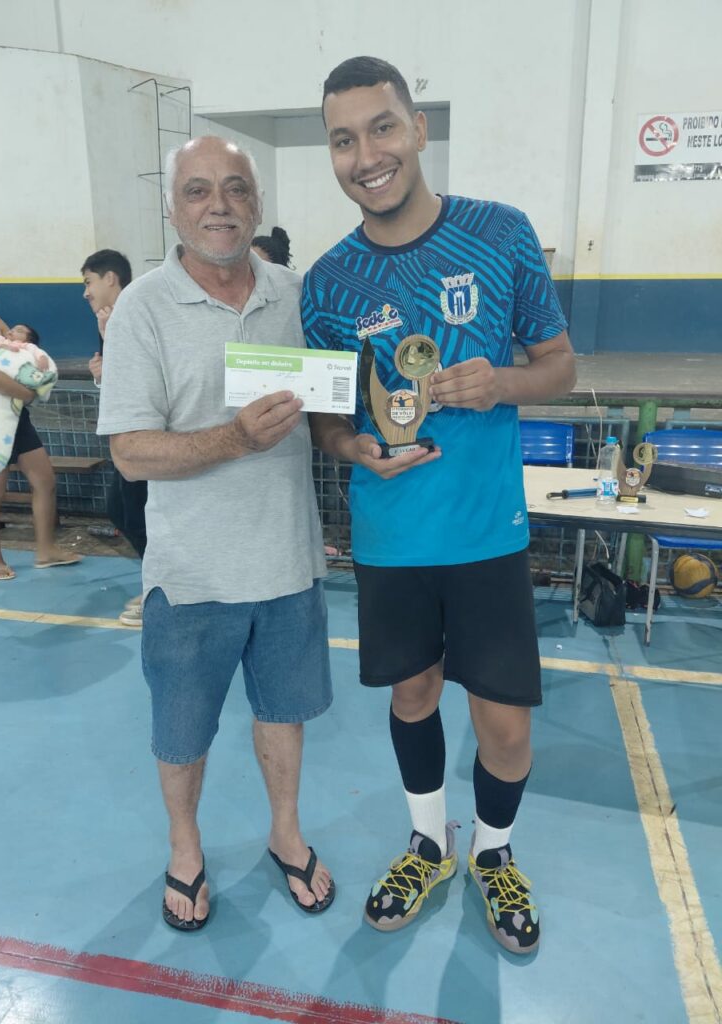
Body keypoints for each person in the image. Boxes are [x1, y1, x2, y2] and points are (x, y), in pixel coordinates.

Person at [303, 57, 577, 954]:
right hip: (390, 540)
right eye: (343, 139)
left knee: (503, 724)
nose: (365, 154)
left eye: (382, 127)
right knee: (413, 694)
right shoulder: (327, 285)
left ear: (418, 130)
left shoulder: (500, 235)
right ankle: (429, 842)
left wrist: (500, 381)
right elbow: (327, 426)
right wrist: (355, 450)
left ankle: (494, 853)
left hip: (486, 534)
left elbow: (561, 367)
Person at [96, 135, 335, 930]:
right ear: (173, 207)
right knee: (181, 732)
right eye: (199, 191)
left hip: (290, 563)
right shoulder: (143, 308)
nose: (219, 205)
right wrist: (232, 439)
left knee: (284, 715)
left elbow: (328, 410)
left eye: (235, 188)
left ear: (258, 205)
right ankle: (186, 849)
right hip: (194, 575)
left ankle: (286, 832)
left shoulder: (295, 293)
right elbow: (129, 452)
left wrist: (365, 435)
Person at [0, 250, 82, 579]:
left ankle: (45, 550)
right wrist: (28, 393)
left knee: (44, 479)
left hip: (13, 413)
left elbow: (20, 357)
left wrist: (38, 378)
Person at [82, 249, 145, 627]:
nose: (85, 292)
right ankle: (160, 580)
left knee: (135, 514)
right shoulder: (110, 322)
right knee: (121, 511)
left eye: (88, 282)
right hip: (126, 439)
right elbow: (119, 383)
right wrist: (102, 374)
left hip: (147, 438)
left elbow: (142, 379)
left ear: (110, 279)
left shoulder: (134, 315)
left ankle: (163, 586)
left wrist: (113, 348)